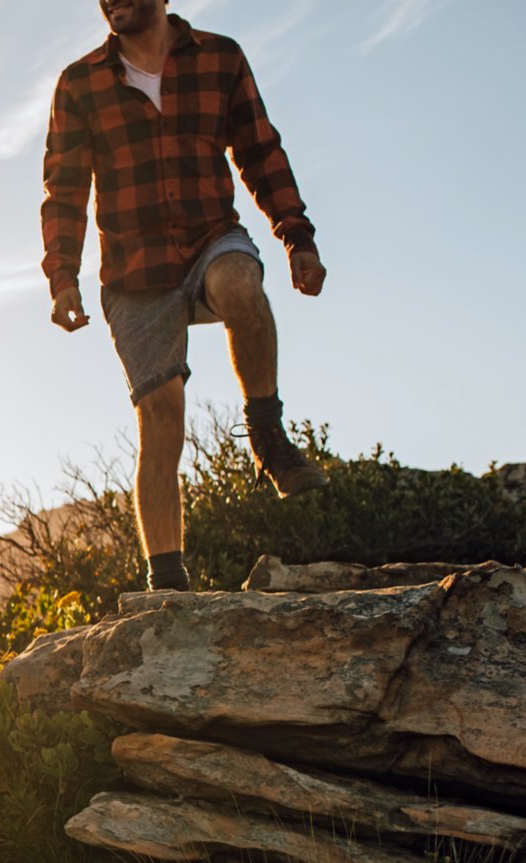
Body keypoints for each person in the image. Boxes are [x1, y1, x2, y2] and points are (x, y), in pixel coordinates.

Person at [42, 0, 328, 593]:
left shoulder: (221, 59)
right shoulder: (80, 83)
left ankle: (268, 436)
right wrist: (62, 275)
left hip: (209, 238)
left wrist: (295, 235)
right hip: (133, 271)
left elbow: (260, 152)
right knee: (161, 416)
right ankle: (167, 583)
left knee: (239, 284)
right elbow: (64, 188)